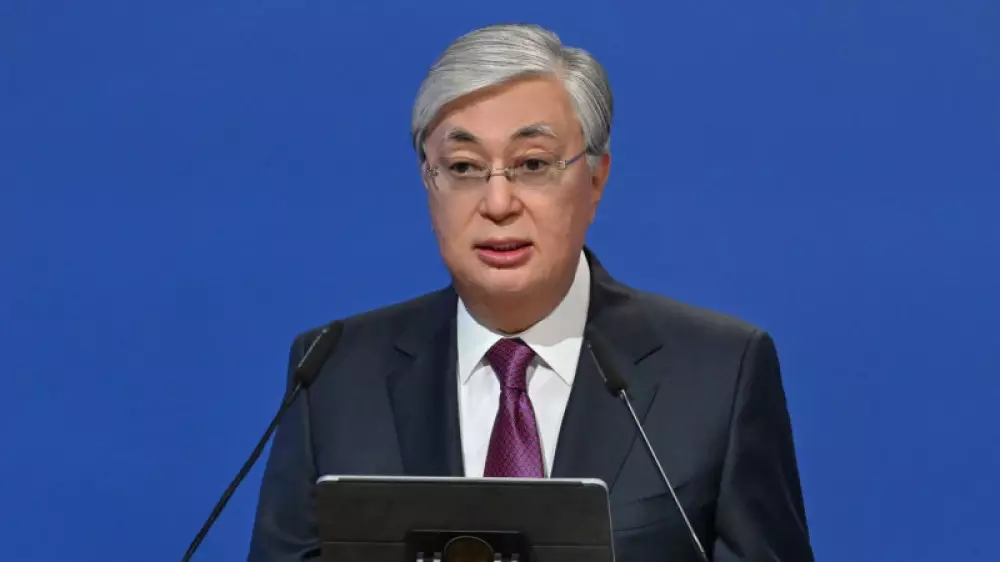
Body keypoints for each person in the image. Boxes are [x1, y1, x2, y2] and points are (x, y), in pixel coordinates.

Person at [248, 23, 813, 562]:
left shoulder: (719, 374)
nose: (498, 204)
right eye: (464, 167)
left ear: (596, 179)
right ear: (428, 183)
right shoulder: (333, 374)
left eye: (533, 164)